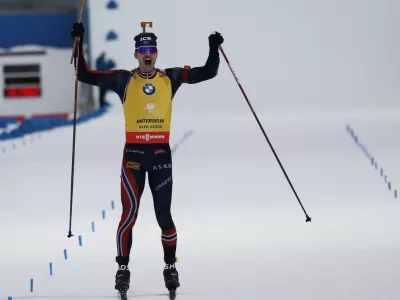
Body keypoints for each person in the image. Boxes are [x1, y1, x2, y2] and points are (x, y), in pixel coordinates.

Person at [70, 22, 224, 295]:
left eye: (151, 49)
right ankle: (122, 270)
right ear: (136, 55)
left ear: (157, 53)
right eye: (142, 50)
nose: (147, 54)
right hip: (134, 157)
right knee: (129, 215)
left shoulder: (171, 77)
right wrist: (79, 42)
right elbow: (85, 74)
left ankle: (170, 267)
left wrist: (213, 48)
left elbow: (208, 72)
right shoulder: (123, 79)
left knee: (164, 216)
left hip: (161, 156)